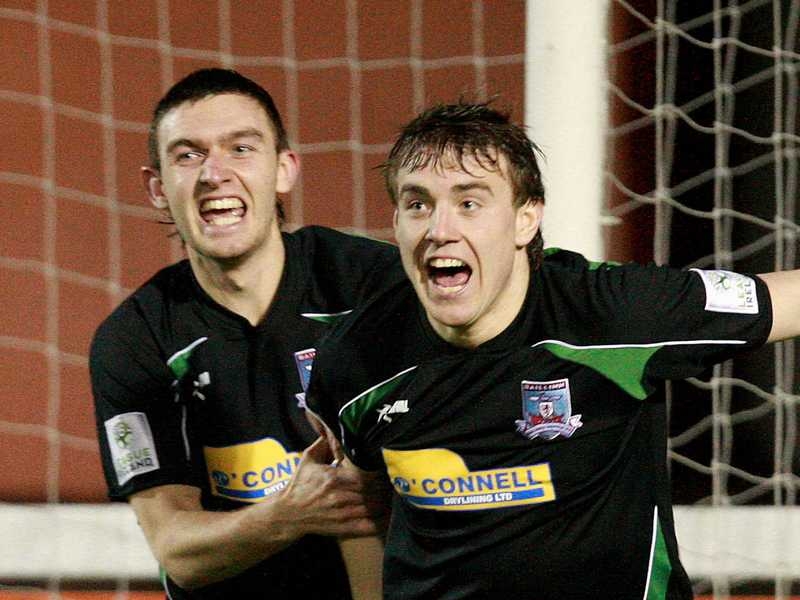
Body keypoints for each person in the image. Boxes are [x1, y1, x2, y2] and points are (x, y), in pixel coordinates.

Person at [306, 101, 800, 599]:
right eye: (418, 204)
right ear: (396, 224)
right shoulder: (355, 359)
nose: (439, 230)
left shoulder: (613, 313)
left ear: (526, 220)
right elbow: (361, 498)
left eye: (469, 203)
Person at [90, 68, 400, 599]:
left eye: (241, 148)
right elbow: (178, 551)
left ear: (283, 170)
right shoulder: (135, 339)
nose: (215, 173)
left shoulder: (373, 289)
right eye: (188, 155)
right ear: (158, 189)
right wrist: (293, 510)